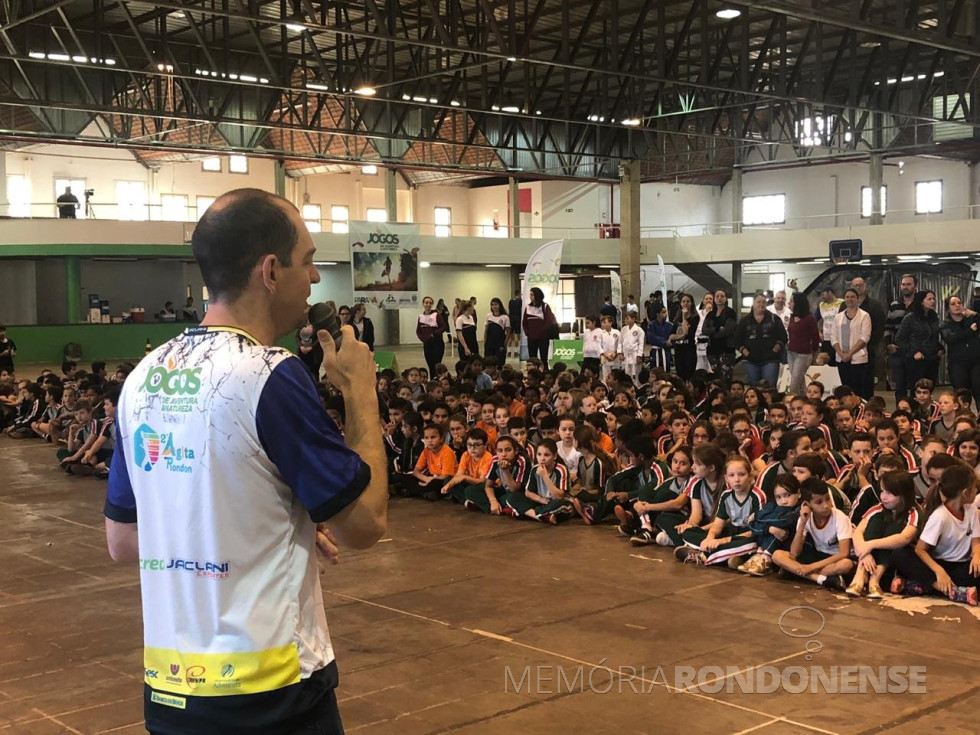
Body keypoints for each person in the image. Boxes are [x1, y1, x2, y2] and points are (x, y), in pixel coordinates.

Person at [104, 188, 388, 735]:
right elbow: (365, 525)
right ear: (270, 271)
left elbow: (123, 540)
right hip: (272, 694)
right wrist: (361, 394)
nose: (315, 280)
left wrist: (270, 525)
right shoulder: (268, 375)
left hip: (170, 692)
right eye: (307, 262)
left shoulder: (143, 378)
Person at [839, 276, 885, 400]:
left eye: (860, 285)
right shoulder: (843, 306)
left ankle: (866, 406)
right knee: (847, 383)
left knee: (865, 382)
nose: (857, 287)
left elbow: (879, 328)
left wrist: (866, 345)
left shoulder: (875, 305)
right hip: (845, 352)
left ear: (866, 286)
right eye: (854, 285)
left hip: (866, 350)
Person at [734, 293, 787, 388]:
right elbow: (737, 340)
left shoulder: (774, 319)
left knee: (769, 388)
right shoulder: (745, 320)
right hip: (750, 361)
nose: (761, 304)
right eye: (758, 302)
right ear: (753, 304)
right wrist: (746, 353)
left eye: (763, 302)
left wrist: (775, 350)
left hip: (770, 360)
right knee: (754, 389)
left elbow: (783, 337)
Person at [895, 289, 942, 391]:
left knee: (930, 389)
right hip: (917, 360)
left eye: (933, 299)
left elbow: (933, 336)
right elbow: (899, 339)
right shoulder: (910, 318)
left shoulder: (934, 317)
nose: (932, 301)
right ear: (921, 301)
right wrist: (913, 352)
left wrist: (940, 348)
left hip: (932, 359)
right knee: (917, 391)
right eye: (929, 299)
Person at [830, 288, 872, 398]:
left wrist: (850, 353)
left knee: (857, 388)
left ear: (857, 299)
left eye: (853, 297)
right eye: (847, 297)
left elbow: (865, 337)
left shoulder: (864, 315)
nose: (850, 299)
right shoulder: (838, 317)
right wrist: (841, 353)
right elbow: (833, 336)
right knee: (845, 388)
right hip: (841, 358)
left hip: (858, 358)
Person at [940, 293, 980, 410]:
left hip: (976, 361)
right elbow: (950, 338)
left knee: (979, 392)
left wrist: (976, 314)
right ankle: (963, 420)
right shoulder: (945, 324)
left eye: (959, 303)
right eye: (953, 304)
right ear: (948, 308)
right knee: (961, 395)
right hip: (958, 364)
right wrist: (970, 331)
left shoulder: (971, 319)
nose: (957, 305)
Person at [884, 274, 918, 401]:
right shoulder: (894, 304)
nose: (905, 287)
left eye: (908, 284)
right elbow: (888, 326)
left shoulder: (920, 304)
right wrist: (888, 344)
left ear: (915, 285)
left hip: (915, 351)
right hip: (898, 351)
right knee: (900, 386)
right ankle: (901, 415)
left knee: (916, 386)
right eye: (903, 284)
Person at [786, 292, 821, 396]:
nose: (789, 303)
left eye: (791, 301)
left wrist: (813, 353)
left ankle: (792, 404)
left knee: (794, 384)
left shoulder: (810, 319)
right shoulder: (792, 317)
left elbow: (815, 337)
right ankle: (804, 401)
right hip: (791, 353)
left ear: (798, 303)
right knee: (800, 382)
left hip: (803, 355)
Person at [701, 290, 737, 384]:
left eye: (722, 296)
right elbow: (704, 330)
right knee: (716, 378)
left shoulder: (730, 312)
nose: (719, 298)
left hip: (726, 349)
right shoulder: (711, 314)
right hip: (712, 349)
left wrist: (712, 332)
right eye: (717, 296)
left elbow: (728, 330)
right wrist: (717, 328)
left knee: (726, 378)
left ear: (725, 299)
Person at [522, 286, 558, 370]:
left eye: (532, 295)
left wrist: (543, 331)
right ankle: (533, 374)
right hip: (531, 338)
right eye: (530, 295)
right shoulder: (528, 307)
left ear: (537, 295)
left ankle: (544, 373)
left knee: (543, 358)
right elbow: (524, 322)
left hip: (543, 338)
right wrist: (528, 332)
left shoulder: (545, 306)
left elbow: (549, 320)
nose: (530, 297)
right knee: (532, 359)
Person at [667, 293, 699, 381]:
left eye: (688, 301)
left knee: (689, 374)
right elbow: (671, 335)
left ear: (691, 303)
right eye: (683, 301)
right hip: (678, 349)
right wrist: (680, 336)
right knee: (680, 374)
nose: (685, 303)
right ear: (680, 303)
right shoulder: (677, 319)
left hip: (689, 349)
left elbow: (687, 333)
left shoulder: (695, 318)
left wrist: (684, 317)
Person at [417, 296, 448, 374]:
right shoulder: (421, 317)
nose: (428, 304)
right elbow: (418, 331)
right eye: (426, 303)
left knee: (436, 364)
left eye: (430, 303)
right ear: (423, 304)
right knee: (430, 365)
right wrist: (424, 339)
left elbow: (443, 327)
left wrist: (434, 334)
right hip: (427, 344)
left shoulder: (436, 315)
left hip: (437, 343)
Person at [814, 286, 843, 365]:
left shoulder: (842, 303)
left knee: (839, 362)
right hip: (826, 339)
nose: (821, 297)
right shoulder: (821, 305)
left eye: (823, 294)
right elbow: (813, 320)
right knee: (826, 362)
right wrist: (819, 332)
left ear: (830, 293)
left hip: (839, 339)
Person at [484, 297, 511, 365]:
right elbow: (486, 330)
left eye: (496, 304)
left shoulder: (505, 317)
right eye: (492, 305)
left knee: (500, 362)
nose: (494, 306)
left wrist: (504, 343)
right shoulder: (488, 316)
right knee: (489, 362)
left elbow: (508, 332)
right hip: (489, 343)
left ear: (499, 305)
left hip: (499, 343)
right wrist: (485, 342)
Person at [694, 292, 713, 372]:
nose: (708, 300)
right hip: (698, 339)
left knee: (711, 365)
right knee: (700, 364)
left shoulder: (716, 313)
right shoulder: (698, 312)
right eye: (706, 299)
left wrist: (709, 312)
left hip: (710, 340)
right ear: (703, 301)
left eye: (710, 299)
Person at [507, 289, 522, 358]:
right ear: (519, 294)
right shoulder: (520, 301)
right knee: (516, 335)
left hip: (510, 318)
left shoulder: (510, 301)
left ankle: (509, 352)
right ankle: (516, 351)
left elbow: (509, 309)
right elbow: (521, 309)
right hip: (517, 319)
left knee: (510, 335)